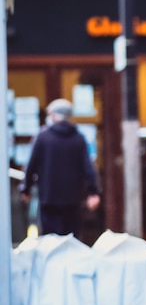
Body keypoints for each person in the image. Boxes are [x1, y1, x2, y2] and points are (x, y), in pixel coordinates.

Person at [19, 98, 100, 239]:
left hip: (49, 198)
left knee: (50, 239)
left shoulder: (42, 137)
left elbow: (31, 166)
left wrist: (26, 188)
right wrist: (93, 192)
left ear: (55, 116)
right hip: (73, 199)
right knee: (71, 239)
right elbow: (88, 167)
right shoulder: (78, 139)